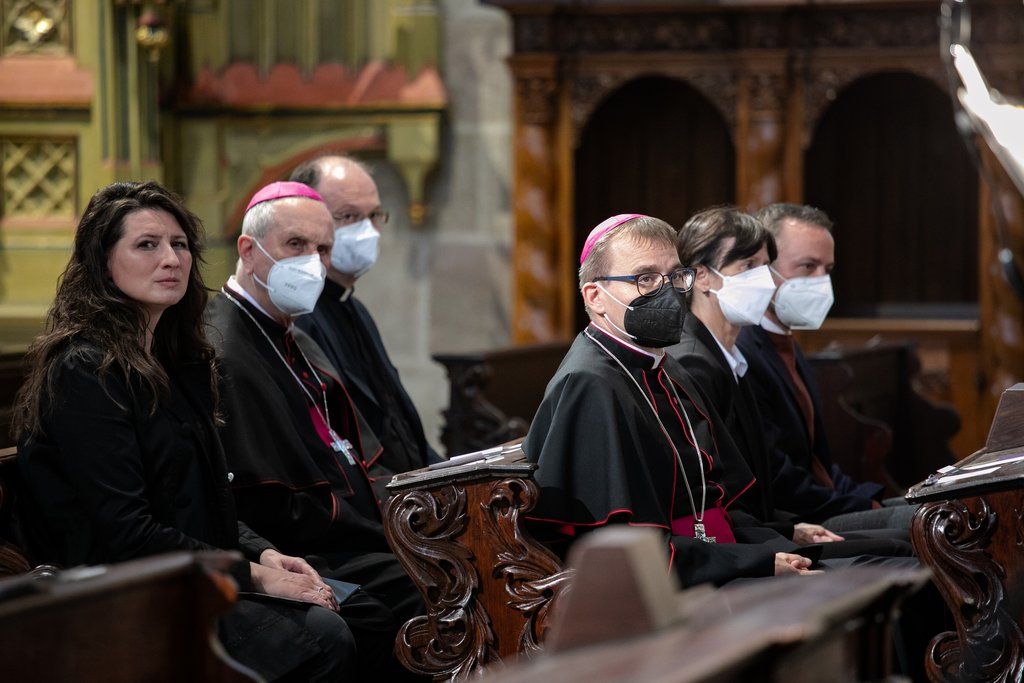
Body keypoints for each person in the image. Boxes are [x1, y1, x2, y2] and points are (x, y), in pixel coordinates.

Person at [12, 181, 363, 681]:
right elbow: (126, 533)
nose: (171, 259)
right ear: (102, 262)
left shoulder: (175, 362)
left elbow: (206, 500)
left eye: (179, 245)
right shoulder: (83, 371)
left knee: (361, 612)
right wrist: (253, 574)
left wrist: (264, 553)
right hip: (119, 598)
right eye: (147, 245)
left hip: (190, 576)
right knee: (324, 638)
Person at [524, 213, 824, 587]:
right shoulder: (589, 384)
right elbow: (627, 555)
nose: (666, 291)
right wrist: (755, 560)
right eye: (645, 278)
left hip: (714, 559)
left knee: (870, 565)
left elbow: (711, 499)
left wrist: (776, 540)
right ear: (595, 296)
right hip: (677, 589)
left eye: (673, 276)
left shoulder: (663, 366)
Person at [205, 181, 423, 654]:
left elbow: (351, 449)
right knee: (426, 585)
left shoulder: (294, 336)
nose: (314, 262)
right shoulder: (222, 346)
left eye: (322, 248)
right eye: (296, 245)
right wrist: (378, 527)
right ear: (249, 249)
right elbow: (260, 496)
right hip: (296, 548)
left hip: (342, 532)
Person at [667, 207, 912, 550]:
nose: (762, 280)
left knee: (925, 527)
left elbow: (807, 464)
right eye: (749, 266)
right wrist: (781, 536)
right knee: (915, 541)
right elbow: (719, 495)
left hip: (776, 525)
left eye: (764, 266)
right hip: (764, 533)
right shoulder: (699, 361)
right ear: (703, 277)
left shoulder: (738, 352)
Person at [736, 204, 917, 531]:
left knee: (946, 507)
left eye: (827, 268)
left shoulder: (788, 343)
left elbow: (817, 463)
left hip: (825, 503)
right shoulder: (745, 352)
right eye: (808, 266)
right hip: (797, 522)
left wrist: (864, 499)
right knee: (945, 523)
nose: (822, 281)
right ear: (764, 269)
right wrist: (864, 504)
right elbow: (779, 480)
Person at [290, 155, 441, 474]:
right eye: (349, 216)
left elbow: (395, 419)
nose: (368, 230)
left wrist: (444, 472)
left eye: (373, 215)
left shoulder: (355, 309)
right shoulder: (299, 317)